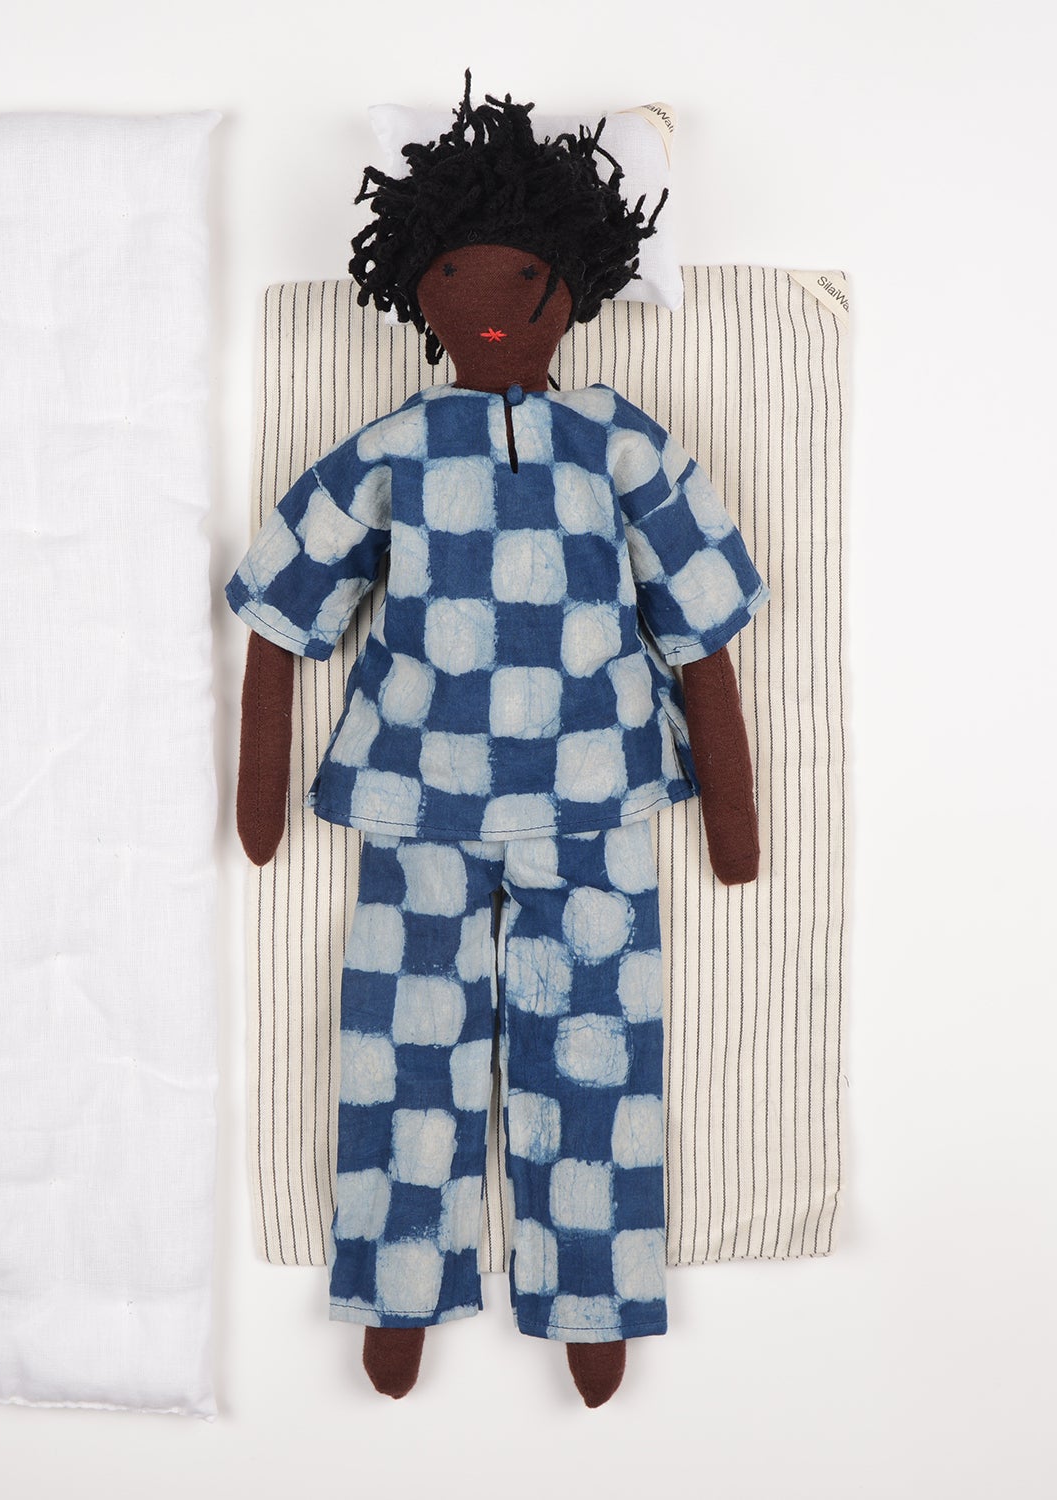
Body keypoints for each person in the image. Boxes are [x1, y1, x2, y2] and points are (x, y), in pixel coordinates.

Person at [227, 76, 767, 1408]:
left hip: (593, 793)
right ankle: (397, 1288)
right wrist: (260, 781)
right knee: (403, 1050)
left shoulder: (615, 443)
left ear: (569, 285)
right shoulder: (395, 448)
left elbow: (699, 622)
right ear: (418, 287)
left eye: (517, 275)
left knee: (597, 1048)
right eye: (455, 275)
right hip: (422, 793)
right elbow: (287, 600)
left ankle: (594, 1295)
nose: (482, 300)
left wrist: (732, 807)